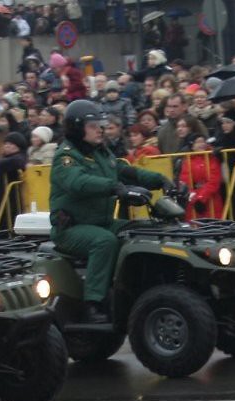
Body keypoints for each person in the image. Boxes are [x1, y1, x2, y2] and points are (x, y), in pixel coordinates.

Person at [49, 100, 173, 323]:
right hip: (71, 228)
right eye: (93, 125)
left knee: (143, 231)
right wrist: (113, 188)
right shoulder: (65, 156)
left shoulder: (101, 152)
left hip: (101, 221)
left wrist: (161, 181)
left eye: (101, 124)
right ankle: (93, 303)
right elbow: (78, 182)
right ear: (77, 128)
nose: (100, 129)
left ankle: (132, 290)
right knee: (104, 241)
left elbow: (125, 170)